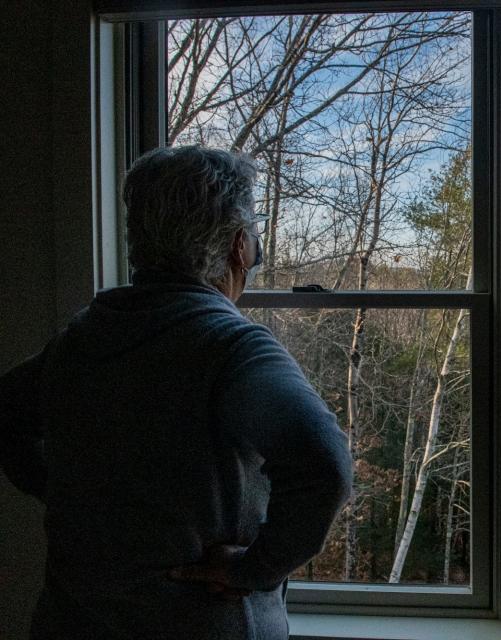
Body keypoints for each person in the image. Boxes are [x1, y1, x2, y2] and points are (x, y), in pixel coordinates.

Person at [0, 145, 353, 639]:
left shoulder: (81, 341)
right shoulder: (231, 348)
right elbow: (325, 465)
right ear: (238, 246)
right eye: (255, 240)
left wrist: (63, 493)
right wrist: (251, 570)